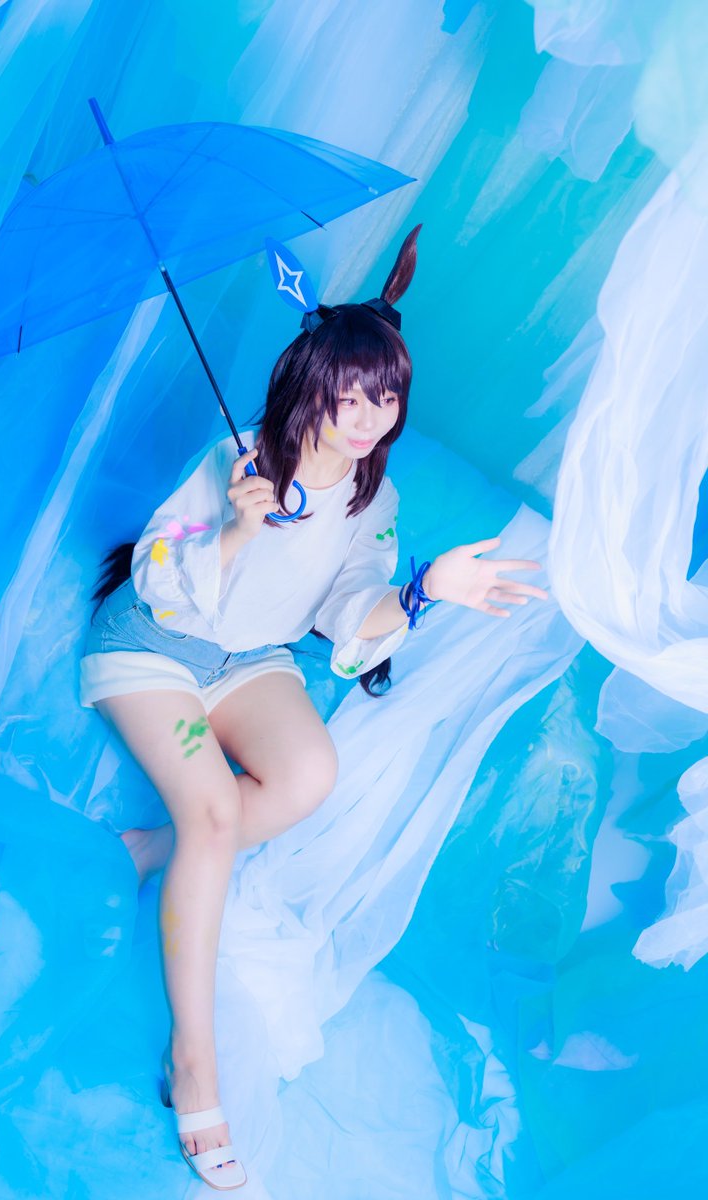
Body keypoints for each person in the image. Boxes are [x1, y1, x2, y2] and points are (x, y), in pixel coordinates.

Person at [78, 225, 548, 1190]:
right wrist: (235, 530)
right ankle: (195, 1062)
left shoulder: (373, 500)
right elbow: (163, 581)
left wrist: (426, 591)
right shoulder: (235, 459)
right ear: (313, 384)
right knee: (216, 812)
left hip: (248, 659)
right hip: (156, 650)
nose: (372, 417)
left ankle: (151, 849)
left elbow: (349, 617)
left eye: (388, 396)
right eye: (354, 395)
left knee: (309, 775)